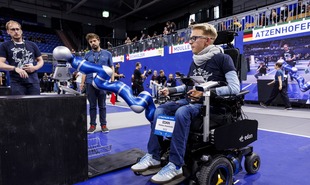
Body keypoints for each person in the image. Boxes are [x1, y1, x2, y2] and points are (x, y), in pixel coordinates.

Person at [131, 23, 240, 184]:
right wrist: (172, 91)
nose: (190, 42)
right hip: (191, 101)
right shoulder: (195, 61)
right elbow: (188, 87)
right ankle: (154, 156)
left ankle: (176, 165)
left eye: (194, 38)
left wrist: (206, 93)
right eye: (190, 38)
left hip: (212, 105)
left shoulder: (224, 59)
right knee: (160, 111)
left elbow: (235, 87)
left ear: (208, 41)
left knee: (182, 112)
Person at [80, 33, 114, 134]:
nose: (93, 43)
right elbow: (84, 70)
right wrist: (82, 83)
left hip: (102, 83)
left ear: (98, 40)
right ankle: (92, 125)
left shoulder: (107, 54)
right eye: (90, 42)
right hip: (90, 82)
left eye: (94, 41)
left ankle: (103, 125)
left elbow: (111, 67)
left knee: (102, 105)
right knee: (92, 106)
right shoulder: (87, 55)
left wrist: (112, 81)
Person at [0, 20, 44, 95]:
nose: (16, 31)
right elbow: (0, 63)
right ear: (8, 32)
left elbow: (40, 60)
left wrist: (34, 68)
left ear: (21, 31)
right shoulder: (5, 46)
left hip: (33, 81)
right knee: (19, 105)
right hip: (17, 82)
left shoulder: (32, 44)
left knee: (35, 105)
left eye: (17, 29)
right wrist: (15, 68)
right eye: (12, 29)